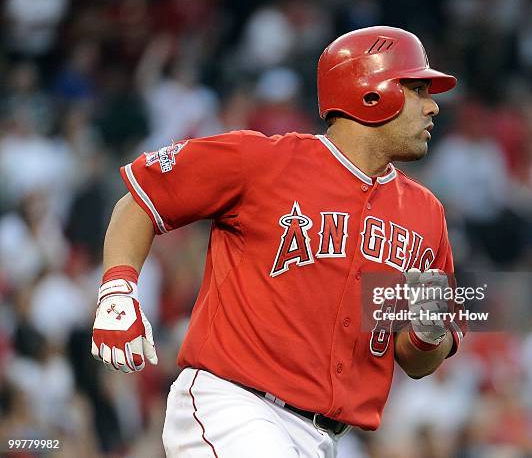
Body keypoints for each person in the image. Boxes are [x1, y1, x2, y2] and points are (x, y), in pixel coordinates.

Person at [91, 26, 466, 458]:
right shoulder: (264, 162)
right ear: (371, 93)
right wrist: (118, 286)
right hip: (233, 406)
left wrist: (426, 330)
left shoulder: (426, 215)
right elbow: (143, 198)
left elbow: (417, 362)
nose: (433, 106)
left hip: (326, 439)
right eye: (418, 89)